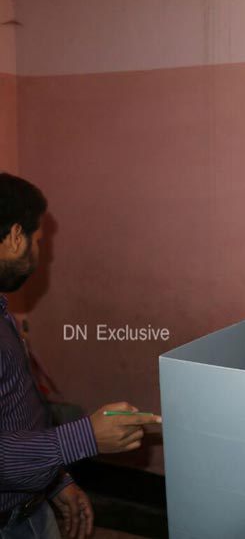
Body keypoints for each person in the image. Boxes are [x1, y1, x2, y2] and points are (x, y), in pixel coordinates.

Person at [0, 172, 161, 539]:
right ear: (13, 237)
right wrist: (84, 436)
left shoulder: (2, 312)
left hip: (29, 510)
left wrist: (55, 480)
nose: (41, 255)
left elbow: (13, 416)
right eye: (38, 241)